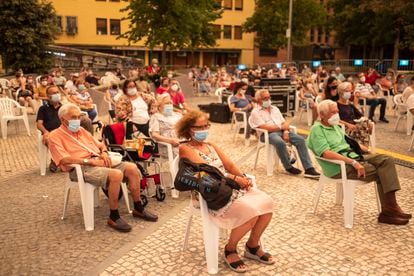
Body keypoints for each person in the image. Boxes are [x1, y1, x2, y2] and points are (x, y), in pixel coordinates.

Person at [177, 110, 275, 273]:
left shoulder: (211, 145)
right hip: (211, 192)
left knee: (267, 204)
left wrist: (243, 177)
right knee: (251, 212)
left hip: (230, 187)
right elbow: (209, 172)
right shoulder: (185, 148)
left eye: (205, 126)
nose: (203, 130)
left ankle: (252, 246)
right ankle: (230, 249)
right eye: (198, 127)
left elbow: (229, 165)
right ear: (188, 129)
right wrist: (236, 180)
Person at [48, 103, 158, 232]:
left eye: (79, 117)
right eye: (73, 117)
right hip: (80, 168)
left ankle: (138, 208)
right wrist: (89, 161)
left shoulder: (81, 131)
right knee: (116, 174)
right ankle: (114, 216)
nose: (77, 120)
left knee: (132, 168)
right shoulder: (54, 136)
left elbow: (101, 145)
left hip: (99, 161)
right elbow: (64, 159)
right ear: (62, 119)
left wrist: (104, 153)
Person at [307, 100, 411, 225]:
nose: (336, 115)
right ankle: (389, 211)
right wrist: (353, 163)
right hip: (338, 166)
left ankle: (390, 209)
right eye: (333, 112)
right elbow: (326, 153)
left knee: (386, 160)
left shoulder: (335, 126)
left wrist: (366, 150)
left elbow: (347, 142)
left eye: (337, 112)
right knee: (383, 172)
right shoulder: (317, 129)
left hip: (353, 156)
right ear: (322, 115)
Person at [249, 89, 320, 178]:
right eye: (265, 98)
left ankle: (309, 169)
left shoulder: (275, 109)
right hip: (267, 134)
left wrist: (286, 131)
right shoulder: (255, 112)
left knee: (301, 140)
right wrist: (281, 127)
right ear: (259, 100)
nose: (268, 100)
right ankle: (288, 166)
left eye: (269, 97)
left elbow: (285, 123)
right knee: (279, 142)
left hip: (282, 131)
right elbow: (265, 127)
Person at [36, 86, 93, 172]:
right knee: (51, 138)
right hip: (51, 133)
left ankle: (87, 151)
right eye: (54, 93)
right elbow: (39, 124)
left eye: (57, 92)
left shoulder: (64, 108)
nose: (57, 94)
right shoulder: (43, 108)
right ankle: (57, 160)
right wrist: (45, 132)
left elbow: (74, 113)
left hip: (65, 131)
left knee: (87, 121)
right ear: (48, 96)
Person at [336, 82, 373, 146]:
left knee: (366, 123)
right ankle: (358, 146)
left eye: (350, 91)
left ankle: (363, 146)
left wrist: (367, 120)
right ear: (341, 92)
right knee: (358, 129)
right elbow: (336, 119)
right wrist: (348, 125)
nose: (349, 93)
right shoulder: (336, 105)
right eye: (347, 91)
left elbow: (360, 115)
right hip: (343, 127)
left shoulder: (350, 105)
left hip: (354, 125)